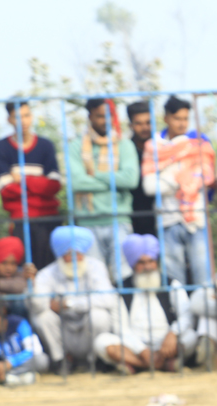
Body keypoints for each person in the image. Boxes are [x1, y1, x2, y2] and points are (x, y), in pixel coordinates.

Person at [141, 95, 216, 288]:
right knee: (175, 282)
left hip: (196, 218)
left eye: (185, 119)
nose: (182, 123)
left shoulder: (198, 143)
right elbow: (150, 187)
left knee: (204, 279)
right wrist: (182, 174)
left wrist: (166, 176)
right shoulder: (154, 147)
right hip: (167, 219)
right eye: (177, 118)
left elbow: (206, 178)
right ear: (166, 118)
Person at [93, 233, 196, 373]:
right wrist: (142, 350)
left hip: (166, 345)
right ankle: (159, 365)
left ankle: (138, 365)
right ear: (133, 264)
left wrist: (173, 334)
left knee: (191, 337)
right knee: (102, 342)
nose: (148, 267)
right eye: (141, 263)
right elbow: (121, 328)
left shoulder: (172, 284)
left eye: (151, 261)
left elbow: (186, 315)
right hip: (133, 346)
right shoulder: (121, 289)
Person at [68, 98, 140, 281]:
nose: (106, 120)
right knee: (94, 277)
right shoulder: (76, 146)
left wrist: (94, 174)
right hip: (87, 221)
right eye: (100, 116)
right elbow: (76, 182)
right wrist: (114, 180)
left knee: (123, 275)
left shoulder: (124, 145)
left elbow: (131, 179)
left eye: (109, 115)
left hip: (119, 219)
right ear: (90, 116)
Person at [28, 225, 117, 370]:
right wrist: (32, 286)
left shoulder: (96, 267)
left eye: (79, 254)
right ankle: (61, 360)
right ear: (61, 254)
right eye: (70, 254)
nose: (76, 259)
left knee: (100, 316)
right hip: (64, 331)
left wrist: (69, 304)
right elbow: (37, 307)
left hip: (88, 329)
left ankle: (94, 360)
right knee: (42, 317)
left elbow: (108, 299)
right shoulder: (47, 273)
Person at [0, 100, 63, 268]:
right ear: (9, 120)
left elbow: (53, 186)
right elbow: (6, 190)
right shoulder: (1, 148)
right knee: (24, 269)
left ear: (31, 117)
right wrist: (40, 185)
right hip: (20, 220)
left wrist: (23, 180)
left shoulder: (45, 145)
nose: (23, 121)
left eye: (26, 115)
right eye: (17, 117)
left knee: (49, 268)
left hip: (48, 218)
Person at [126, 101, 156, 237]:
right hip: (133, 217)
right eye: (139, 123)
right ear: (131, 125)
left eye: (148, 122)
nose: (145, 128)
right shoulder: (125, 151)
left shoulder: (162, 149)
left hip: (159, 215)